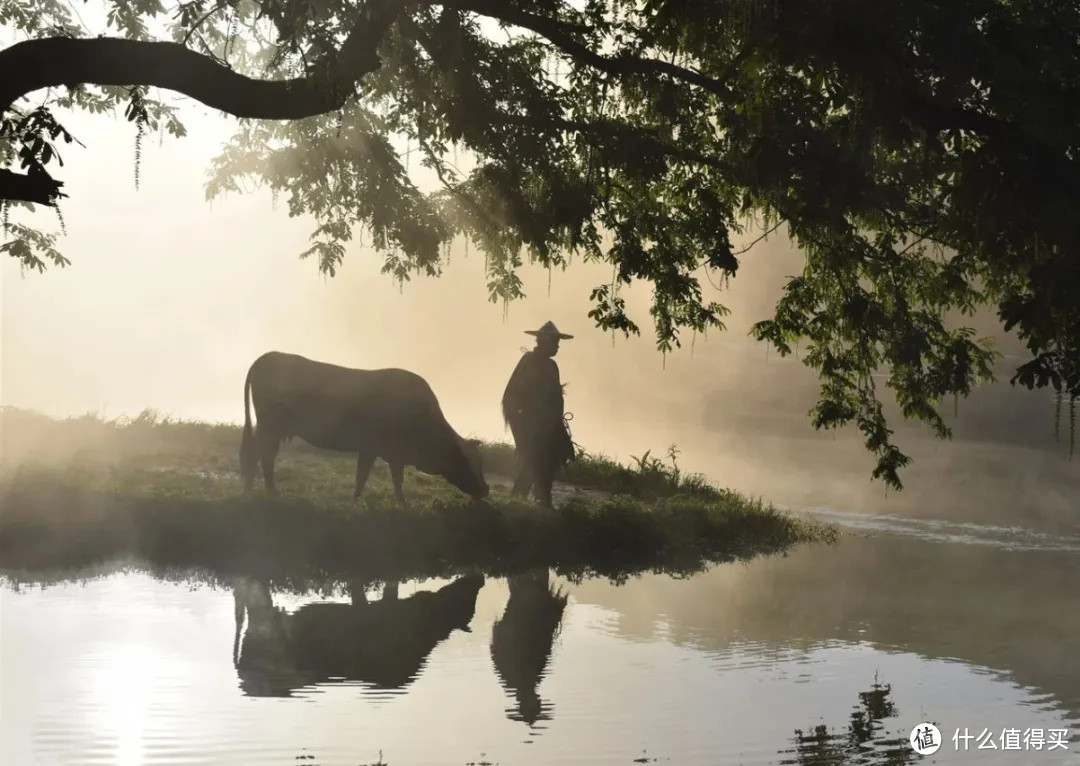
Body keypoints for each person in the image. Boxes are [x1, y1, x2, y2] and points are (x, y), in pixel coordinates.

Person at [501, 320, 576, 508]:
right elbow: (512, 397)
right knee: (533, 462)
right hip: (530, 424)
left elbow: (555, 398)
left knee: (547, 463)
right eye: (554, 342)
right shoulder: (529, 362)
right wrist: (522, 424)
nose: (557, 346)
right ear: (543, 342)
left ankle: (539, 502)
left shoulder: (551, 366)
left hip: (548, 424)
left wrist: (554, 423)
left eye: (558, 343)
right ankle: (520, 503)